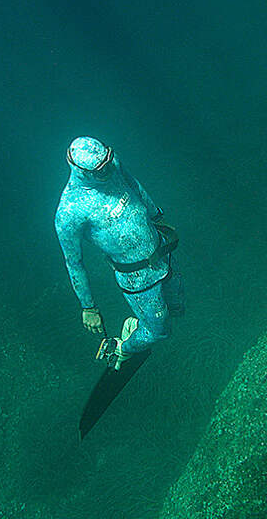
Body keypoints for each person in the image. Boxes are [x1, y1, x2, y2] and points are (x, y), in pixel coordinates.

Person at [55, 136, 184, 369]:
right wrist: (89, 308)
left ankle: (138, 326)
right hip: (138, 279)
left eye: (108, 159)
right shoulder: (69, 212)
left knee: (177, 307)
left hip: (162, 253)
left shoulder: (112, 165)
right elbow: (74, 263)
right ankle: (120, 349)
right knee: (160, 333)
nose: (107, 168)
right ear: (80, 170)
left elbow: (134, 184)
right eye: (100, 168)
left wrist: (157, 216)